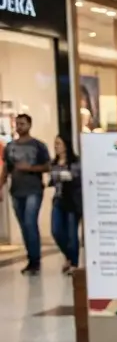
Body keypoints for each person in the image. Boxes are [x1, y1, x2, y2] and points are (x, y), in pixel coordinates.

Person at [0, 114, 51, 275]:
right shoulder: (10, 146)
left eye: (22, 124)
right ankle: (31, 259)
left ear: (30, 125)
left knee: (30, 223)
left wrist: (29, 168)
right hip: (16, 191)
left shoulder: (39, 146)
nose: (19, 126)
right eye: (17, 124)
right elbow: (6, 169)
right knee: (24, 226)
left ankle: (35, 261)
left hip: (34, 190)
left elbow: (48, 166)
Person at [49, 135, 82, 274]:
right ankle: (68, 255)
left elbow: (75, 176)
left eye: (59, 144)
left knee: (71, 233)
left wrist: (64, 176)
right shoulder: (54, 163)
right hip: (58, 199)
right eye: (55, 144)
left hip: (73, 201)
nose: (56, 146)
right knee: (56, 231)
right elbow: (54, 179)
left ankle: (74, 262)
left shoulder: (76, 162)